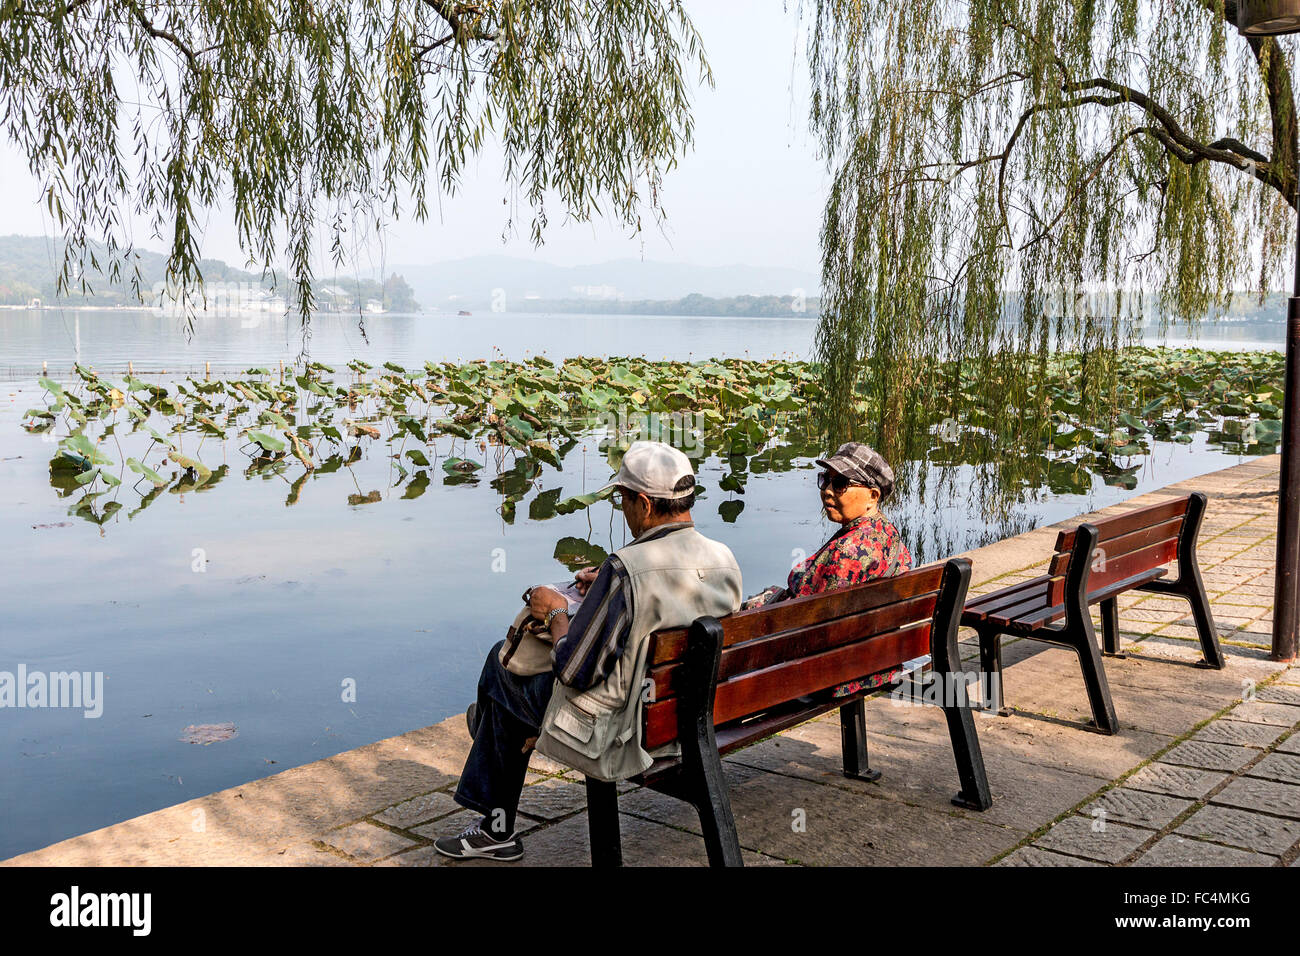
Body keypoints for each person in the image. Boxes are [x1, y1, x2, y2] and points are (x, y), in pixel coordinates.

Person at [435, 440, 742, 861]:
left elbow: (575, 671)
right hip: (687, 716)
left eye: (624, 501)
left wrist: (555, 612)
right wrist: (603, 586)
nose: (624, 511)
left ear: (646, 504)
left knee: (503, 668)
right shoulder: (724, 558)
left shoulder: (626, 569)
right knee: (506, 692)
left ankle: (495, 815)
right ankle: (495, 731)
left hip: (622, 729)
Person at [743, 441, 912, 697]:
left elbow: (809, 628)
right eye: (825, 480)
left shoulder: (847, 553)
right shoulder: (888, 535)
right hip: (877, 664)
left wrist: (757, 608)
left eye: (841, 483)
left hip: (831, 675)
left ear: (873, 496)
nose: (828, 491)